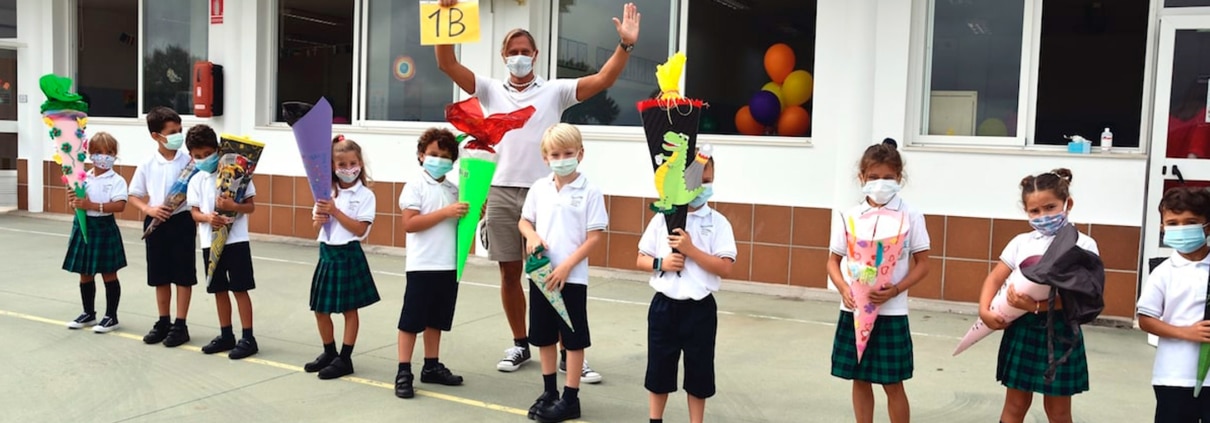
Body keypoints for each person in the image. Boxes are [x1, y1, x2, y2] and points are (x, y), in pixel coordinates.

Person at [435, 0, 640, 377]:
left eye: (525, 52)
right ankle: (520, 344)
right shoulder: (489, 88)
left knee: (550, 272)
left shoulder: (555, 91)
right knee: (509, 273)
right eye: (512, 53)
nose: (519, 58)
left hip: (545, 195)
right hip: (500, 192)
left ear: (536, 55)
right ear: (503, 56)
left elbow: (604, 80)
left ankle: (568, 349)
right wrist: (446, 18)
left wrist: (625, 46)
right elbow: (447, 63)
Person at [978, 168, 1098, 423]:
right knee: (1015, 405)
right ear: (1026, 212)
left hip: (1062, 331)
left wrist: (1036, 305)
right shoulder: (1021, 242)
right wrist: (984, 310)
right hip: (1022, 326)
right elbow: (995, 277)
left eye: (1050, 207)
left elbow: (1082, 296)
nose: (1043, 216)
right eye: (1035, 211)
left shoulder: (1083, 244)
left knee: (1058, 411)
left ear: (1068, 204)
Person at [827, 139, 931, 423]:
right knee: (859, 378)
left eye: (888, 177)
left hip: (891, 312)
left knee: (892, 382)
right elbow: (833, 261)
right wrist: (845, 289)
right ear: (862, 177)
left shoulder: (910, 215)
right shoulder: (850, 215)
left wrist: (896, 290)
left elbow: (923, 264)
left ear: (899, 178)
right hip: (854, 310)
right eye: (873, 177)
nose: (880, 184)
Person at [637, 148, 735, 423]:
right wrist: (661, 263)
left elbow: (725, 267)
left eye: (709, 180)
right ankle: (655, 419)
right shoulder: (663, 217)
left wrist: (691, 250)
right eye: (697, 181)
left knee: (699, 372)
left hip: (700, 309)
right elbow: (641, 258)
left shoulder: (718, 223)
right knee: (659, 369)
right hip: (664, 307)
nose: (703, 187)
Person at [519, 124, 607, 422]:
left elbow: (594, 236)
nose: (561, 158)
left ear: (580, 154)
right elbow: (524, 222)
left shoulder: (590, 191)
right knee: (543, 334)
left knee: (573, 338)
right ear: (545, 157)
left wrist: (568, 266)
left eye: (568, 153)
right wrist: (531, 237)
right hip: (542, 274)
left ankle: (571, 397)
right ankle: (549, 391)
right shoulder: (538, 188)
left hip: (571, 277)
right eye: (555, 154)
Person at [395, 128, 467, 399]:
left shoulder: (454, 189)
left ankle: (431, 365)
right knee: (412, 320)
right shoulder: (415, 185)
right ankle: (404, 370)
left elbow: (460, 226)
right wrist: (446, 212)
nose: (439, 160)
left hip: (448, 265)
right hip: (422, 265)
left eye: (445, 156)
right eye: (433, 154)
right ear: (421, 155)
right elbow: (410, 224)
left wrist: (473, 214)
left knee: (436, 319)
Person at [305, 135, 381, 380]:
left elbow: (360, 230)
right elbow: (316, 227)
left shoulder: (366, 195)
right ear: (332, 167)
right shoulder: (325, 191)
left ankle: (345, 358)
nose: (348, 169)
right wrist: (320, 219)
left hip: (348, 253)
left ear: (359, 163)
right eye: (342, 165)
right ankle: (329, 352)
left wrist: (335, 211)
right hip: (326, 253)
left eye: (352, 163)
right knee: (320, 308)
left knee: (349, 309)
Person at [185, 125, 259, 360]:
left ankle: (248, 337)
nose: (203, 159)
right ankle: (226, 333)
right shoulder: (196, 180)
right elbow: (194, 213)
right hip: (210, 243)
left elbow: (250, 206)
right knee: (218, 290)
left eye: (207, 154)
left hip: (236, 241)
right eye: (197, 156)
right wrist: (208, 218)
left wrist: (233, 207)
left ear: (217, 150)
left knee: (240, 288)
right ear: (191, 156)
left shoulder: (236, 174)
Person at [1138, 187, 1210, 422]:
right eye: (1173, 223)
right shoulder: (1163, 272)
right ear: (1163, 227)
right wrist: (1186, 332)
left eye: (1191, 222)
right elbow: (1146, 319)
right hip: (1174, 375)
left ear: (1207, 225)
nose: (1181, 229)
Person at [128, 106, 196, 347]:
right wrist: (149, 210)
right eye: (173, 132)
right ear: (156, 136)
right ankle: (163, 321)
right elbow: (134, 194)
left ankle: (181, 324)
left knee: (183, 274)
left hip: (182, 221)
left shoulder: (190, 161)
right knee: (160, 275)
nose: (178, 135)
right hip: (157, 222)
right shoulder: (148, 163)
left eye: (180, 130)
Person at [62, 132, 127, 333]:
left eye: (109, 152)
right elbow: (76, 203)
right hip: (83, 226)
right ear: (90, 154)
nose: (103, 157)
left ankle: (111, 316)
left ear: (115, 155)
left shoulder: (117, 180)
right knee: (85, 273)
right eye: (98, 152)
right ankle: (88, 313)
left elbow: (120, 205)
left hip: (104, 227)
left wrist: (92, 205)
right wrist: (74, 199)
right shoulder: (82, 177)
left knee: (109, 273)